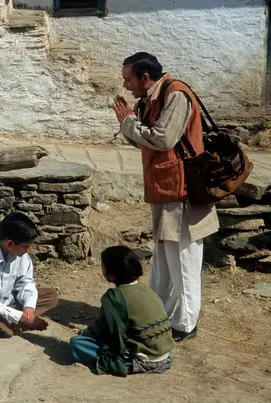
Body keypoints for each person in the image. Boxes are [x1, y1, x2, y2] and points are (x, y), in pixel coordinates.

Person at [112, 52, 219, 342]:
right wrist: (130, 124)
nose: (126, 86)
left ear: (145, 77)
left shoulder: (176, 95)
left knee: (183, 259)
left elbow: (163, 138)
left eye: (128, 79)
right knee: (163, 258)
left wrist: (130, 124)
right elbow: (146, 140)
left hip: (182, 191)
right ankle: (157, 314)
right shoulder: (151, 99)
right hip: (165, 190)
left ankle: (186, 323)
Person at [69, 246, 174, 377]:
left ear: (112, 275)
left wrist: (83, 333)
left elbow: (100, 329)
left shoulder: (114, 297)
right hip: (165, 354)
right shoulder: (146, 290)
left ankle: (120, 364)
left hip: (142, 360)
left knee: (77, 343)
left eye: (103, 267)